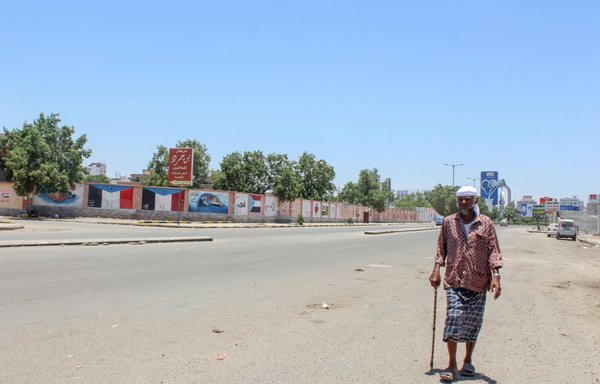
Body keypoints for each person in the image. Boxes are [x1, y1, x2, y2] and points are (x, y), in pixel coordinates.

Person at [429, 186, 503, 382]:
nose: (464, 203)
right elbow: (440, 249)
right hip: (454, 279)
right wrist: (436, 270)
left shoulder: (486, 223)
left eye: (467, 199)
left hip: (478, 281)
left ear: (475, 200)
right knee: (453, 318)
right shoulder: (448, 222)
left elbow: (493, 251)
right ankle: (451, 364)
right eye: (461, 199)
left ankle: (468, 360)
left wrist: (496, 276)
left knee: (473, 323)